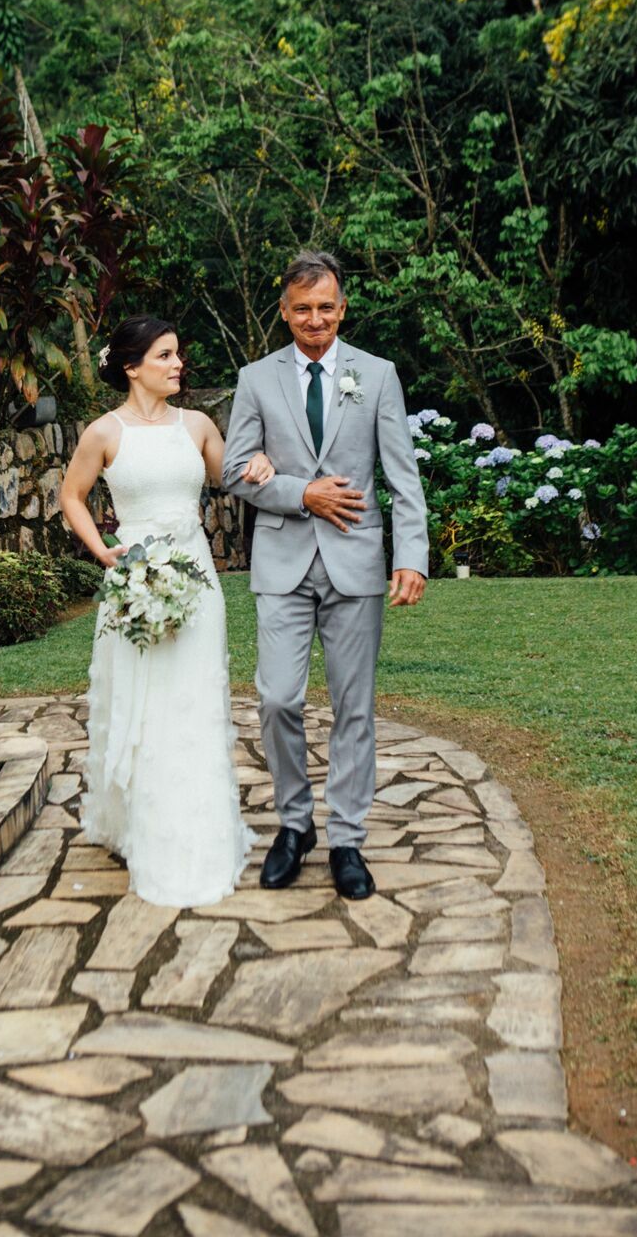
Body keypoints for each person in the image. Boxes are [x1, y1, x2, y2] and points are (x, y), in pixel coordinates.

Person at [221, 251, 429, 901]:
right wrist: (297, 492)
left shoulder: (377, 375)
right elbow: (232, 472)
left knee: (353, 709)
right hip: (282, 564)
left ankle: (345, 839)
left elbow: (400, 471)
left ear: (342, 308)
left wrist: (411, 554)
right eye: (303, 308)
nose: (315, 319)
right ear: (284, 311)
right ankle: (292, 825)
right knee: (278, 699)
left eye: (326, 307)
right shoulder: (255, 379)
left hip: (356, 562)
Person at [59, 315, 272, 907]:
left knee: (193, 698)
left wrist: (260, 467)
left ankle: (196, 826)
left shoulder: (198, 425)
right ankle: (136, 823)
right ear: (132, 367)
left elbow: (233, 480)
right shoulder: (103, 432)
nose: (179, 364)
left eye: (178, 354)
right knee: (141, 700)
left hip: (196, 580)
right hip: (133, 584)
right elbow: (70, 496)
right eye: (165, 355)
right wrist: (104, 552)